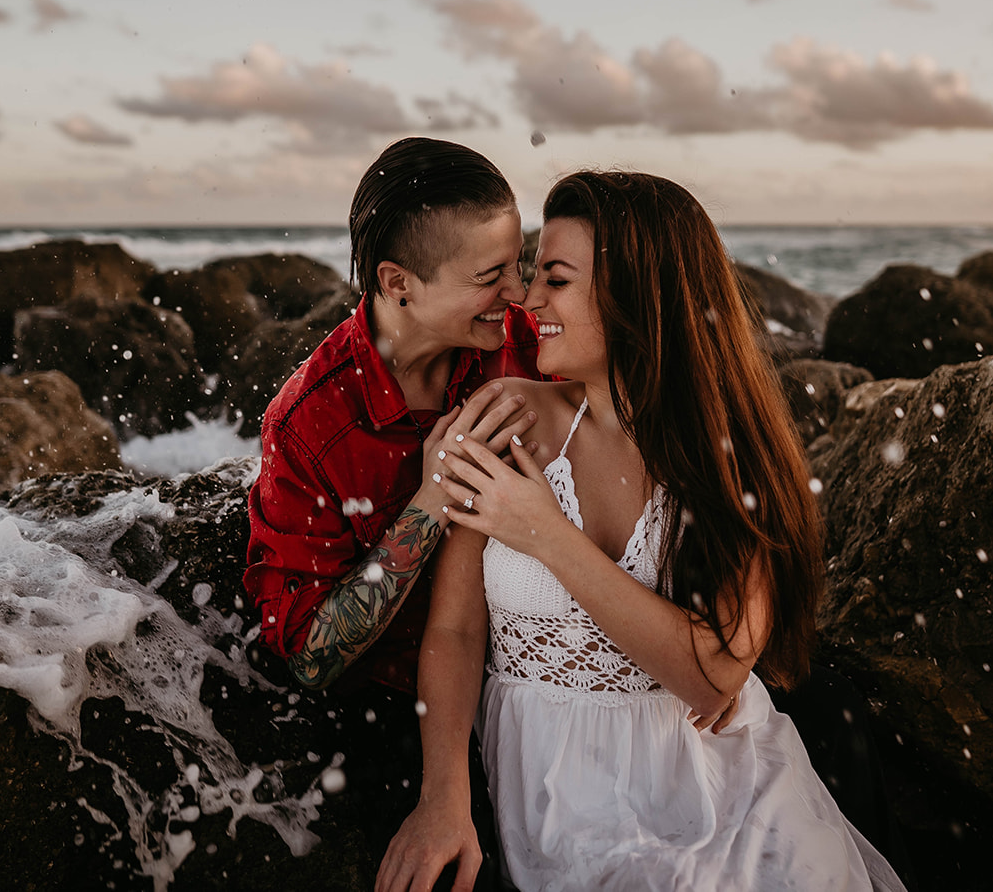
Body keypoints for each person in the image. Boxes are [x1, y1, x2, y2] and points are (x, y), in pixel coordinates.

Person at [378, 171, 908, 892]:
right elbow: (455, 630)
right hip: (555, 798)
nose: (528, 300)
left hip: (714, 795)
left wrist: (546, 535)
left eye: (555, 279)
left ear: (635, 295)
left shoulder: (728, 453)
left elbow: (710, 670)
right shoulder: (505, 417)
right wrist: (444, 796)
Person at [243, 137, 544, 884]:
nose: (521, 292)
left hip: (537, 666)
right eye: (491, 275)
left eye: (521, 263)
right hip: (397, 711)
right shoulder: (312, 425)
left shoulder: (522, 344)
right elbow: (311, 653)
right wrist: (430, 501)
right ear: (398, 283)